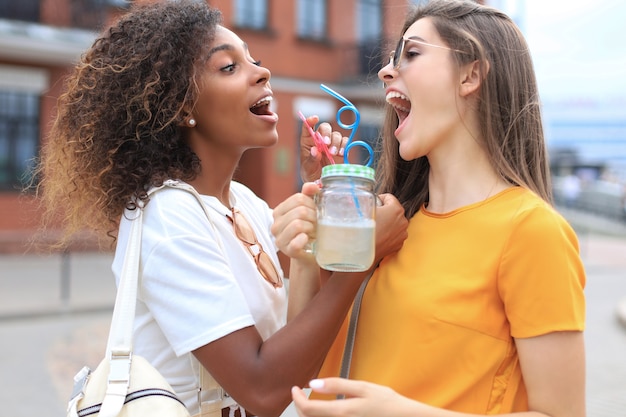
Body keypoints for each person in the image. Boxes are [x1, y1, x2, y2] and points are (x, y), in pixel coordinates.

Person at [33, 1, 409, 417]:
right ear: (180, 106)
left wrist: (319, 207)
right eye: (228, 67)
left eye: (255, 60)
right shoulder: (169, 215)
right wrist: (362, 257)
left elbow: (293, 360)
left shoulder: (244, 203)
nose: (262, 72)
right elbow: (263, 390)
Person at [289, 1, 586, 416]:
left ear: (470, 74)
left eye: (411, 54)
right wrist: (304, 256)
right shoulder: (384, 224)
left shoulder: (530, 231)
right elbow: (299, 372)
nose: (385, 71)